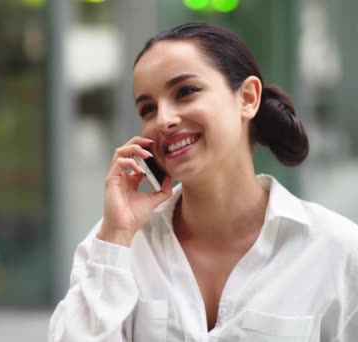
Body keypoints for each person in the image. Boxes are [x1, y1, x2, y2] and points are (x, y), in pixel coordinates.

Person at [48, 22, 358, 342]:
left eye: (185, 92)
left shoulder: (338, 252)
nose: (164, 120)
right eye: (148, 108)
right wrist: (116, 236)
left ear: (248, 98)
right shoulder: (117, 246)